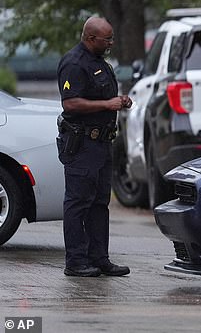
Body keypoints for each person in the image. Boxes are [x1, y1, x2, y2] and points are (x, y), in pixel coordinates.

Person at [56, 16, 132, 277]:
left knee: (100, 203)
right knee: (78, 203)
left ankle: (100, 258)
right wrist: (106, 105)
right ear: (90, 38)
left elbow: (103, 96)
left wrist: (120, 101)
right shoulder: (74, 63)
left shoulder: (99, 63)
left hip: (102, 143)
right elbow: (70, 103)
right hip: (82, 144)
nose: (111, 43)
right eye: (106, 39)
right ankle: (75, 262)